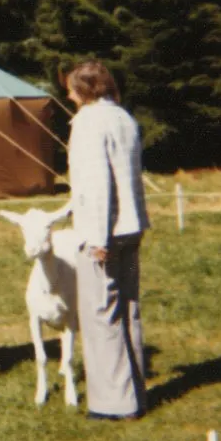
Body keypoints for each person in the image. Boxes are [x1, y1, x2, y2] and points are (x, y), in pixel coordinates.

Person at [65, 60, 150, 420]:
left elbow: (98, 182)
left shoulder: (88, 122)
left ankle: (113, 403)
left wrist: (97, 237)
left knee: (102, 315)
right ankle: (136, 392)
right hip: (131, 227)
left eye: (70, 88)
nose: (67, 95)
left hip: (105, 231)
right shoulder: (123, 118)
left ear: (83, 90)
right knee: (128, 310)